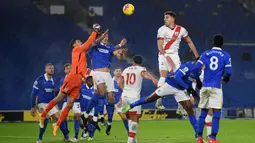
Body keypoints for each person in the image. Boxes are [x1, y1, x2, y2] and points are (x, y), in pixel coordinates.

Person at [39, 24, 105, 136]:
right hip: (73, 77)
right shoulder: (76, 49)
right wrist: (95, 31)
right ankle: (43, 115)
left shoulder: (82, 52)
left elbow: (91, 44)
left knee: (69, 104)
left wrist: (99, 35)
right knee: (59, 98)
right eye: (79, 41)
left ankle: (57, 124)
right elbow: (88, 43)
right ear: (74, 44)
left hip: (78, 80)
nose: (80, 42)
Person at [122, 61, 203, 137]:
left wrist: (197, 87)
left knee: (190, 111)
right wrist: (188, 88)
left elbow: (196, 80)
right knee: (150, 99)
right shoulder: (188, 66)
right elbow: (177, 78)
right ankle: (131, 105)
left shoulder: (199, 71)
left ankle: (198, 135)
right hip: (170, 85)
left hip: (180, 90)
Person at [82, 31, 128, 127]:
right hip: (97, 72)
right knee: (102, 93)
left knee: (111, 97)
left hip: (107, 74)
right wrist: (100, 37)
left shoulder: (110, 47)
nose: (106, 37)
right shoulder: (95, 45)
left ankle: (92, 116)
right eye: (104, 35)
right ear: (100, 36)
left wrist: (122, 53)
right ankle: (97, 116)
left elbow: (118, 57)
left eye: (107, 35)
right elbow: (93, 43)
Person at [155, 11, 199, 110]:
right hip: (163, 54)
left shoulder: (181, 30)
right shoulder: (162, 30)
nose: (164, 19)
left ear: (172, 19)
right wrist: (166, 55)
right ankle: (158, 100)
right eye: (164, 17)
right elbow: (159, 45)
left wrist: (197, 56)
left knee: (180, 77)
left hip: (175, 56)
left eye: (166, 17)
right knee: (163, 76)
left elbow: (190, 42)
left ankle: (180, 105)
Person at [196, 34, 232, 143]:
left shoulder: (205, 54)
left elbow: (197, 68)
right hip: (216, 87)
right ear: (222, 44)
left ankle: (199, 138)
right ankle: (212, 138)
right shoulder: (226, 55)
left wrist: (198, 81)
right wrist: (226, 77)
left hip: (205, 86)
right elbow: (229, 72)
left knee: (203, 113)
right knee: (216, 114)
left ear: (213, 42)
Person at [119, 55, 158, 143]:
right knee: (135, 120)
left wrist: (124, 91)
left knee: (129, 118)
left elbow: (120, 83)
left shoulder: (126, 69)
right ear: (141, 63)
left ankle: (134, 140)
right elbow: (144, 74)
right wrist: (153, 79)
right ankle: (130, 140)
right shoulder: (141, 69)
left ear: (133, 61)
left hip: (124, 96)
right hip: (134, 97)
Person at [30, 63, 70, 143]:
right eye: (49, 68)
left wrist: (56, 104)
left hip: (50, 103)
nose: (51, 70)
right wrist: (33, 106)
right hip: (41, 103)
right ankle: (39, 138)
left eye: (52, 68)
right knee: (45, 118)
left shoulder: (53, 80)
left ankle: (66, 137)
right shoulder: (40, 79)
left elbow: (52, 95)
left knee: (59, 119)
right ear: (45, 70)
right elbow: (33, 93)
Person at [59, 63, 81, 142]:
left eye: (71, 68)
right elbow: (62, 91)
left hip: (75, 101)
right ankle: (66, 135)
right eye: (67, 68)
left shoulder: (77, 77)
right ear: (65, 71)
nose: (69, 70)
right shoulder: (62, 80)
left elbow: (79, 88)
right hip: (66, 101)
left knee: (77, 115)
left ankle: (76, 136)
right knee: (63, 117)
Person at [105, 68, 129, 136]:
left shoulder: (123, 82)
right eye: (117, 71)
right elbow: (106, 92)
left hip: (118, 102)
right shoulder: (110, 81)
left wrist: (121, 101)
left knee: (124, 117)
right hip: (110, 101)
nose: (118, 72)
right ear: (114, 73)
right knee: (103, 117)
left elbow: (124, 92)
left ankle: (129, 132)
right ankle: (89, 132)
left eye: (119, 71)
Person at [79, 75, 96, 141]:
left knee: (90, 119)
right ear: (86, 81)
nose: (91, 82)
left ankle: (91, 135)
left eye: (92, 80)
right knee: (82, 124)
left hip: (91, 108)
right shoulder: (81, 87)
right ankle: (85, 131)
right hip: (82, 108)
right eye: (89, 80)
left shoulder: (95, 89)